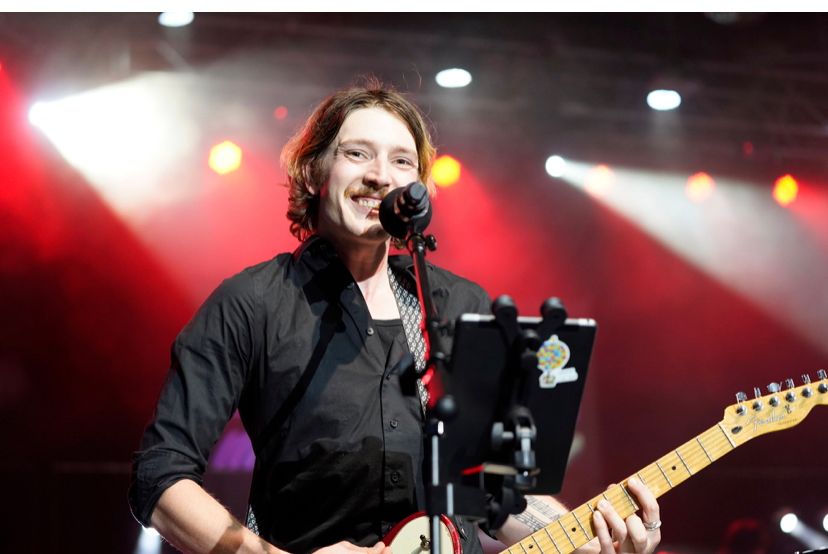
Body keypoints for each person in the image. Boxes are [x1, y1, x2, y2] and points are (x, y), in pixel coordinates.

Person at [129, 79, 663, 554]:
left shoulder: (459, 306)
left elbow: (492, 489)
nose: (380, 176)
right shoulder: (251, 302)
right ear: (314, 172)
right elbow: (160, 477)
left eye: (402, 162)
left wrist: (588, 538)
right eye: (357, 153)